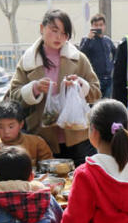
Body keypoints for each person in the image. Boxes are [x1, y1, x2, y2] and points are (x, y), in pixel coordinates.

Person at [7, 9, 101, 164]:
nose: (59, 37)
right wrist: (34, 88)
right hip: (42, 138)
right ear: (42, 28)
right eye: (54, 30)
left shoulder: (78, 59)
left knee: (79, 182)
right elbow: (14, 96)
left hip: (77, 136)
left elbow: (96, 92)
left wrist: (80, 86)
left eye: (64, 33)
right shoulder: (29, 61)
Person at [0, 100, 53, 167]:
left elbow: (49, 165)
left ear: (21, 124)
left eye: (11, 127)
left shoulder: (36, 143)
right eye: (1, 127)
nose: (6, 131)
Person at [78, 13, 116, 99]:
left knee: (107, 104)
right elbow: (81, 55)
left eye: (101, 25)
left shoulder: (107, 40)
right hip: (95, 79)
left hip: (108, 79)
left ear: (104, 26)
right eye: (96, 25)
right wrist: (88, 39)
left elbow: (116, 53)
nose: (98, 27)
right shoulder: (87, 40)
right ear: (91, 26)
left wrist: (113, 64)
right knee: (94, 103)